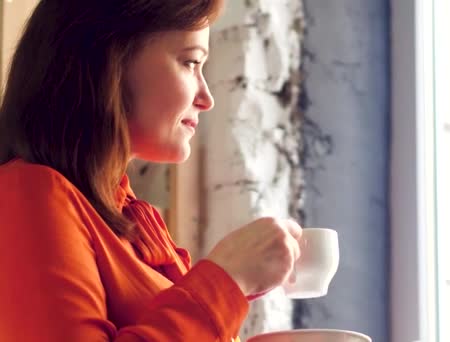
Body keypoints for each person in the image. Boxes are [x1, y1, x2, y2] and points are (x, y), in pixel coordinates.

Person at [0, 0, 302, 341]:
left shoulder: (124, 217)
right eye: (190, 62)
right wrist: (227, 280)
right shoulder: (29, 194)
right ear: (109, 60)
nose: (206, 98)